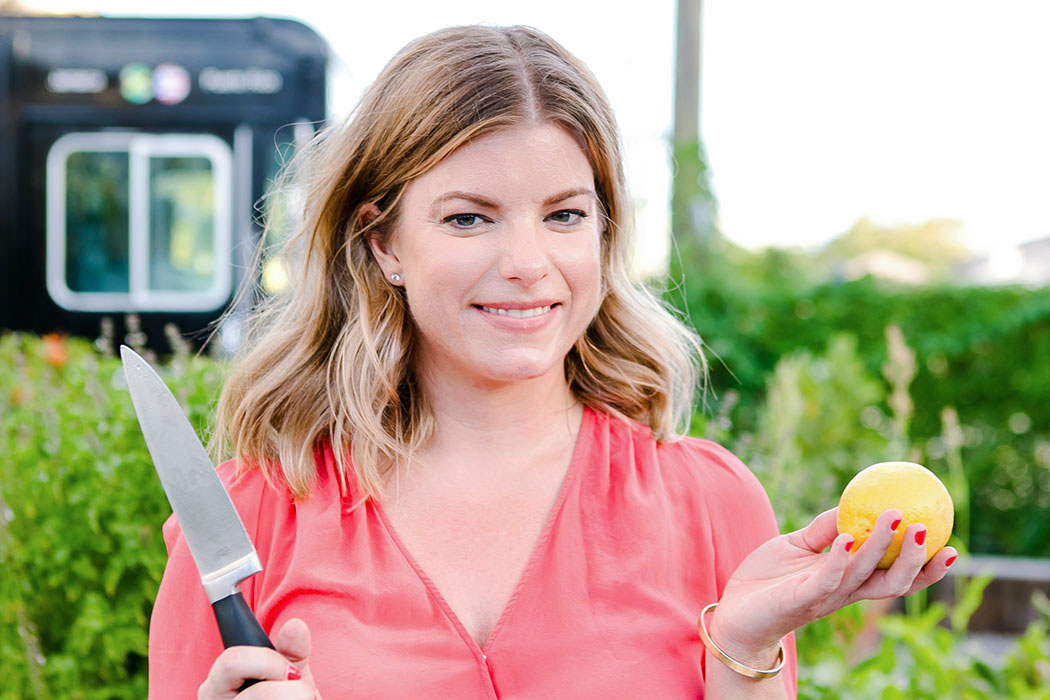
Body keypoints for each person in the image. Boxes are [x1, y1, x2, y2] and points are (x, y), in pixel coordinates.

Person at [147, 25, 958, 699]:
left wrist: (742, 644)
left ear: (605, 235)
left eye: (565, 214)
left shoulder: (712, 504)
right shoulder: (246, 522)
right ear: (382, 241)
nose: (528, 261)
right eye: (470, 219)